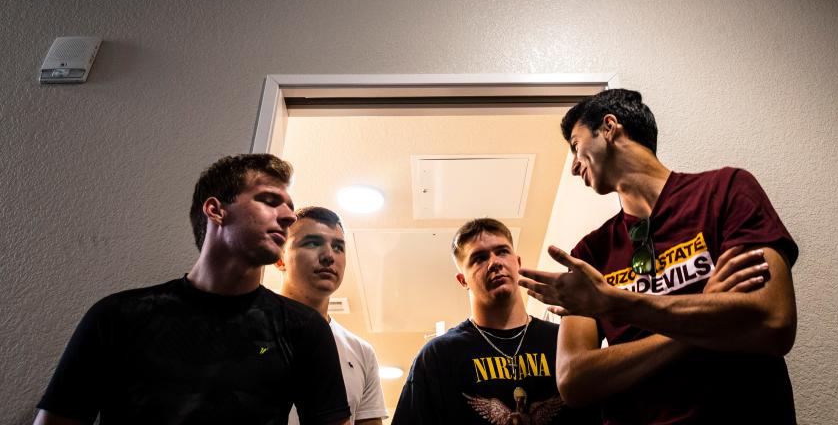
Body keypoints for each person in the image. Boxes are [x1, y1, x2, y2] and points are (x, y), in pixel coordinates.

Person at [518, 89, 799, 424]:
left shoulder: (726, 191)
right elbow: (574, 380)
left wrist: (614, 303)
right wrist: (708, 309)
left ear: (609, 127)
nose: (574, 167)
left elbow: (773, 322)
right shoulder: (590, 254)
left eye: (576, 147)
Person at [34, 154, 351, 425]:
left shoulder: (304, 330)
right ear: (215, 210)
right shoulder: (118, 316)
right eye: (269, 201)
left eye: (289, 207)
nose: (287, 216)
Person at [392, 218, 600, 425]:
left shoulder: (563, 339)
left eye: (502, 251)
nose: (494, 263)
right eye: (479, 258)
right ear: (463, 280)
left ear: (517, 263)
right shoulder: (439, 355)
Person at [276, 206, 388, 425]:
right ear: (279, 259)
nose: (328, 256)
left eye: (338, 247)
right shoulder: (248, 328)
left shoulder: (361, 351)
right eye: (312, 243)